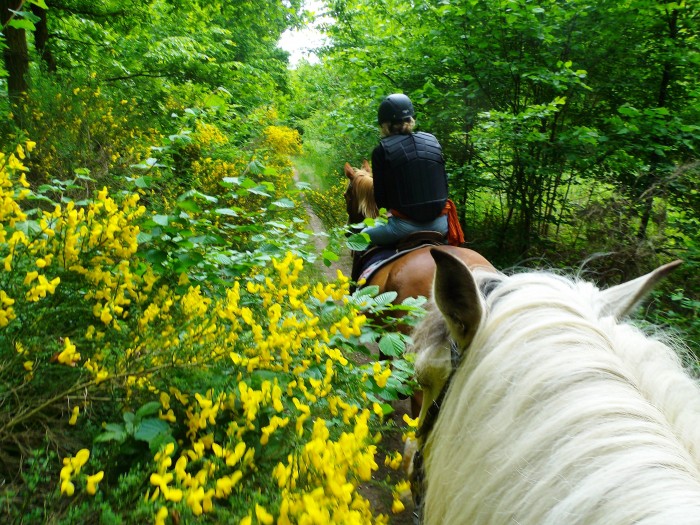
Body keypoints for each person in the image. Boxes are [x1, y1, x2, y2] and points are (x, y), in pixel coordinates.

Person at [361, 93, 450, 246]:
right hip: (441, 225)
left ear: (385, 124)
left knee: (360, 238)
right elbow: (444, 185)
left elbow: (381, 200)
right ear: (411, 120)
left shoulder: (381, 150)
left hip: (402, 228)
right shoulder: (432, 141)